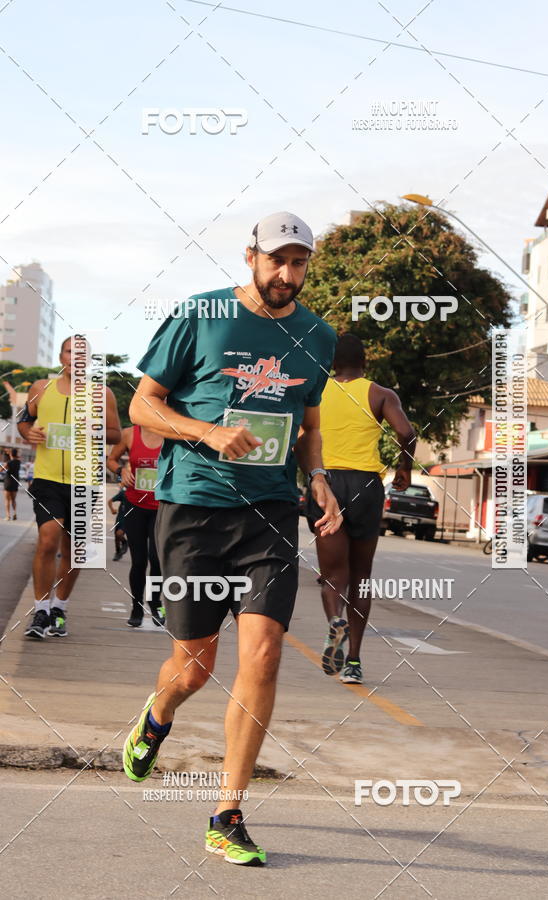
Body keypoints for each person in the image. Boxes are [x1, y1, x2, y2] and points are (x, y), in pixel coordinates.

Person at [123, 211, 340, 867]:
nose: (287, 274)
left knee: (266, 655)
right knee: (195, 665)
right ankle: (157, 716)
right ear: (250, 256)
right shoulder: (201, 315)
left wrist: (320, 478)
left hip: (271, 512)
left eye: (299, 262)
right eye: (277, 260)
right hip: (193, 507)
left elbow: (308, 421)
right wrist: (207, 431)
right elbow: (142, 405)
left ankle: (227, 813)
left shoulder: (316, 335)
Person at [307, 334, 416, 685]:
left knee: (333, 575)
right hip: (366, 486)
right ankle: (353, 661)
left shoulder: (315, 391)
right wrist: (404, 467)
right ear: (364, 361)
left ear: (332, 363)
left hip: (326, 485)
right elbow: (407, 431)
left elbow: (300, 436)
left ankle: (334, 622)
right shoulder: (382, 394)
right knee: (361, 578)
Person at [17, 337, 121, 639]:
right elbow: (25, 419)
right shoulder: (41, 387)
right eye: (69, 351)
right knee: (48, 540)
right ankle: (40, 610)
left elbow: (116, 434)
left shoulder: (102, 393)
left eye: (81, 353)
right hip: (48, 478)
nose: (75, 357)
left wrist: (97, 429)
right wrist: (28, 433)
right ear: (61, 355)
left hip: (84, 480)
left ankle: (60, 607)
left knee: (74, 550)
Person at [108, 426, 163, 626]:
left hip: (162, 506)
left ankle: (156, 604)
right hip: (135, 505)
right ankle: (136, 607)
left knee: (157, 559)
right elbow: (111, 459)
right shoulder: (129, 434)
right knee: (138, 561)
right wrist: (121, 470)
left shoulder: (172, 432)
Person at [108, 485, 128, 561]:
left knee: (119, 534)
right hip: (119, 518)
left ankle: (125, 543)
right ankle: (118, 552)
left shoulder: (136, 496)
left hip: (127, 519)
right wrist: (112, 510)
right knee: (116, 538)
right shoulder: (123, 493)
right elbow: (110, 501)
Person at [3, 448, 20, 520]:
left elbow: (1, 470)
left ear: (11, 454)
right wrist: (10, 453)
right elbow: (15, 458)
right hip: (15, 482)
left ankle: (8, 515)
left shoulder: (8, 463)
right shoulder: (19, 462)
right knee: (13, 499)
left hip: (8, 482)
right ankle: (15, 513)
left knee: (7, 500)